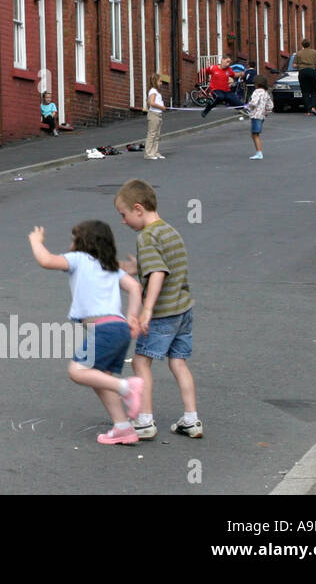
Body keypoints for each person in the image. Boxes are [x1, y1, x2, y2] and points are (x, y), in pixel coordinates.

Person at [28, 222, 144, 445]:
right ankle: (122, 427)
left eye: (74, 240)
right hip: (119, 328)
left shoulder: (78, 259)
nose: (71, 245)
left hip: (103, 329)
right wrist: (132, 316)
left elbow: (46, 260)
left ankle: (127, 387)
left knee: (78, 371)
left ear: (83, 244)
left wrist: (36, 242)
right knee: (100, 378)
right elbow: (134, 287)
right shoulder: (110, 267)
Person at [114, 179, 202, 440]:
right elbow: (163, 265)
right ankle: (191, 419)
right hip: (183, 311)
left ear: (138, 209)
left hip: (163, 313)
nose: (123, 221)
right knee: (178, 362)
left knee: (141, 362)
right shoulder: (169, 231)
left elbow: (158, 273)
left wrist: (147, 310)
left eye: (124, 214)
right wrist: (134, 268)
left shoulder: (147, 237)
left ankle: (145, 421)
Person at [245, 74, 272, 160]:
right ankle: (259, 152)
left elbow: (254, 103)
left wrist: (248, 106)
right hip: (262, 116)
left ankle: (259, 152)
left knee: (255, 134)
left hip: (256, 115)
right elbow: (270, 105)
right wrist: (266, 113)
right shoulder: (265, 93)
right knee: (255, 134)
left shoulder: (257, 92)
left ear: (256, 83)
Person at [295, 38, 316, 116]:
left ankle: (308, 111)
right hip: (312, 71)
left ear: (302, 45)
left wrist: (300, 65)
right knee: (314, 91)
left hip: (302, 72)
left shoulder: (299, 53)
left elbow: (294, 65)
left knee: (305, 92)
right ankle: (313, 107)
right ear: (309, 44)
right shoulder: (314, 52)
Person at [145, 73, 166, 160]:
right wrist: (162, 107)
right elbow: (151, 103)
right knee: (152, 134)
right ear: (155, 81)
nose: (161, 83)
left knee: (157, 135)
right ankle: (148, 153)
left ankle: (155, 152)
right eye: (160, 81)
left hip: (158, 114)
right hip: (154, 114)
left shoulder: (156, 91)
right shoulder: (153, 91)